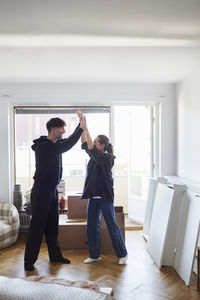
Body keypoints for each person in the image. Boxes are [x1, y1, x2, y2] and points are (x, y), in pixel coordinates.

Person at [24, 112, 85, 271]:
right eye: (62, 128)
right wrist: (81, 128)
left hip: (52, 191)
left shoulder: (54, 145)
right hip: (41, 192)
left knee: (52, 226)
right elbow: (68, 144)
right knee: (37, 227)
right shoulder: (45, 147)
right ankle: (28, 261)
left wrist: (81, 125)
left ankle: (55, 256)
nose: (64, 131)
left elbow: (67, 141)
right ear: (53, 129)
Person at [80, 115, 128, 265]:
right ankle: (94, 255)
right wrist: (82, 127)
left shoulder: (108, 158)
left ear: (102, 145)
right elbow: (84, 143)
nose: (92, 144)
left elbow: (90, 147)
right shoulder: (94, 156)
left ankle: (123, 254)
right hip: (93, 197)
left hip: (105, 196)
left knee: (111, 225)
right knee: (91, 227)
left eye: (95, 142)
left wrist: (87, 127)